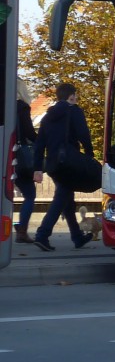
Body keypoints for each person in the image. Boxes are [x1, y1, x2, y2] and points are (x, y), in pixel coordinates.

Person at [31, 82, 96, 251]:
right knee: (62, 197)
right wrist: (89, 155)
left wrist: (37, 168)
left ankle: (77, 237)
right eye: (75, 96)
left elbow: (39, 144)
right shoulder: (74, 111)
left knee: (67, 198)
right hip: (69, 162)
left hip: (52, 164)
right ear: (71, 96)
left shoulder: (48, 116)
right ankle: (42, 234)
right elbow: (84, 134)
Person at [13, 78, 37, 244]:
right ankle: (22, 231)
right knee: (29, 195)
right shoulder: (22, 107)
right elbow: (29, 132)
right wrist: (41, 140)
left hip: (5, 154)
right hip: (20, 158)